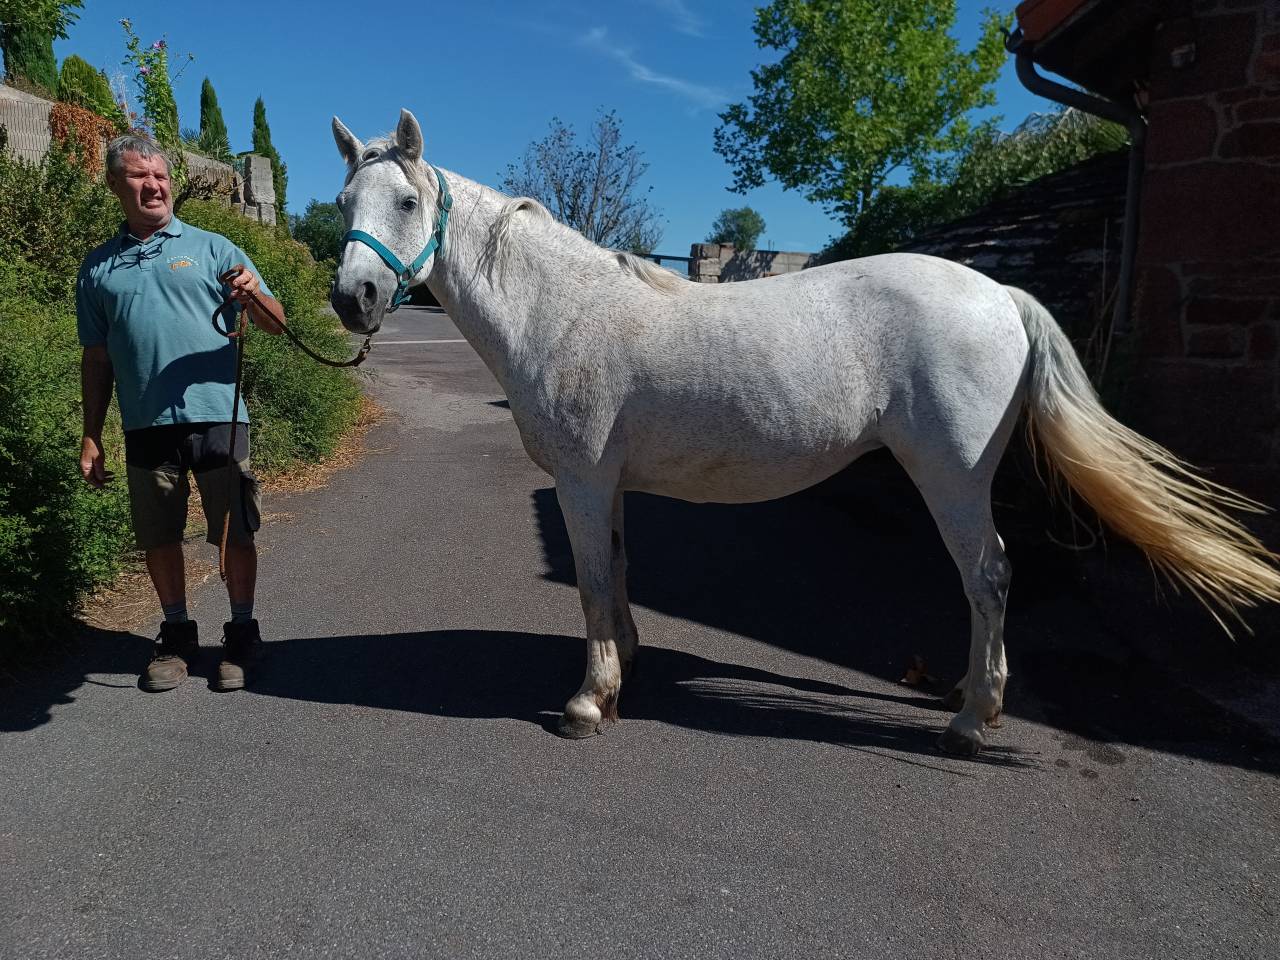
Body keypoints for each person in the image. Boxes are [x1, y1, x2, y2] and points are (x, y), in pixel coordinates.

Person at [77, 134, 285, 693]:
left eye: (161, 176)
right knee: (158, 536)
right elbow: (96, 358)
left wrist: (253, 296)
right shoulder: (97, 269)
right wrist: (91, 433)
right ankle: (176, 634)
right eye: (139, 176)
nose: (154, 186)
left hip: (219, 415)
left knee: (235, 531)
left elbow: (276, 322)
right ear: (115, 184)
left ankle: (242, 633)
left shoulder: (214, 248)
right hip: (144, 423)